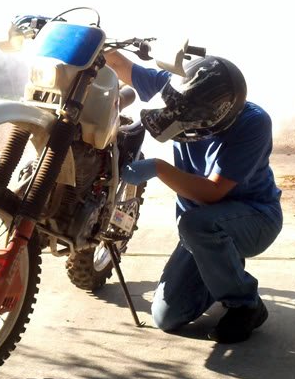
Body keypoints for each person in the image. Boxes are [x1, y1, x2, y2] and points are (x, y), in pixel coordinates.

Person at [104, 49, 283, 343]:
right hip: (202, 225)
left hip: (254, 218)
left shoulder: (253, 123)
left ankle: (246, 305)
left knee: (197, 224)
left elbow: (212, 193)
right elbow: (120, 64)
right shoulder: (181, 88)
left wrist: (157, 168)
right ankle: (220, 265)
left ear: (215, 117)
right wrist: (82, 40)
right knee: (166, 317)